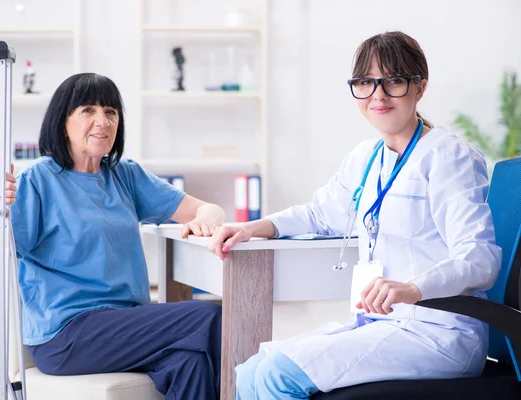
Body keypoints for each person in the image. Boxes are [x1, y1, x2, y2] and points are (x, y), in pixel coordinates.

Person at [208, 31, 502, 399]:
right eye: (366, 82)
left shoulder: (448, 157)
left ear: (419, 87)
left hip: (439, 331)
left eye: (393, 81)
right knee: (250, 372)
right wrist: (252, 227)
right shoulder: (366, 157)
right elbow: (319, 213)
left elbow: (480, 259)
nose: (378, 95)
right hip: (383, 321)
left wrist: (413, 288)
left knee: (277, 375)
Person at [0, 73, 225, 400]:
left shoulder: (125, 175)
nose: (102, 121)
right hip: (67, 336)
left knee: (192, 363)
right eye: (88, 110)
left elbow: (208, 210)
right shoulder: (38, 181)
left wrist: (206, 220)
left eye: (111, 112)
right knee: (210, 316)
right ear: (63, 121)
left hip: (125, 326)